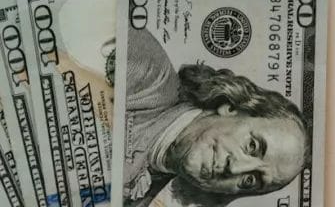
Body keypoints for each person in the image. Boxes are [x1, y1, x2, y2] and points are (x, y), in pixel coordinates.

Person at [122, 28, 307, 207]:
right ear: (231, 108)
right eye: (252, 146)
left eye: (250, 180)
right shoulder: (146, 71)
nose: (234, 169)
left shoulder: (141, 199)